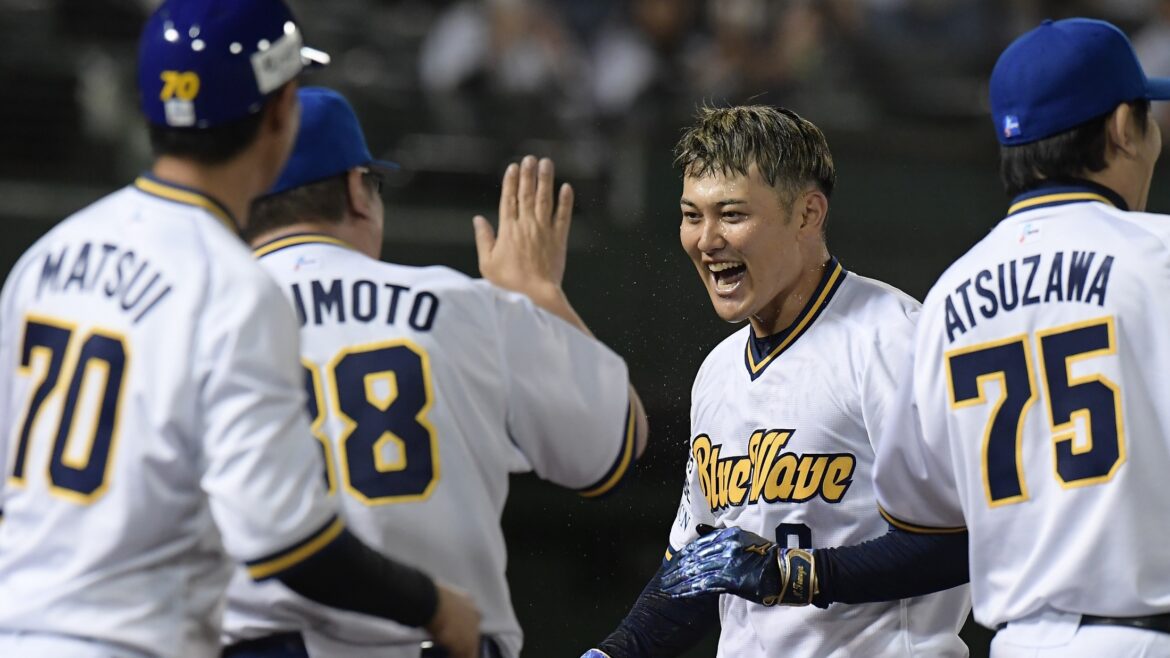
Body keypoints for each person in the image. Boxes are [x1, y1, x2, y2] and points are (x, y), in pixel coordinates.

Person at [0, 3, 480, 657]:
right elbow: (287, 538)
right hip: (129, 642)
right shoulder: (232, 287)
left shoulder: (48, 257)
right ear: (281, 112)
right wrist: (432, 604)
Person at [220, 87, 649, 658]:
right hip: (438, 643)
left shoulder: (197, 322)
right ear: (356, 190)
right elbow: (616, 442)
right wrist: (539, 297)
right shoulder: (457, 302)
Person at [582, 105, 970, 658]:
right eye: (692, 215)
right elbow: (698, 572)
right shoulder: (717, 370)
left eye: (731, 214)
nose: (706, 239)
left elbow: (964, 541)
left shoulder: (892, 338)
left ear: (808, 213)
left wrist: (795, 575)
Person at [871, 17, 1170, 658]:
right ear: (1123, 127)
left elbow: (919, 515)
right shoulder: (1161, 255)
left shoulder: (948, 296)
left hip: (1020, 642)